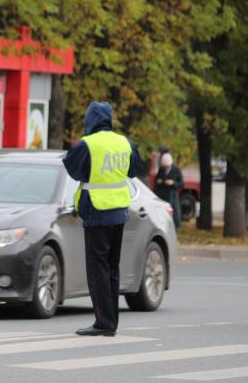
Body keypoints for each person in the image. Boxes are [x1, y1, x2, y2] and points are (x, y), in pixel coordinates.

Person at [62, 101, 141, 337]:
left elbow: (73, 168)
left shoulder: (88, 144)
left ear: (90, 120)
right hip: (119, 211)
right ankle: (111, 321)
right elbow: (134, 169)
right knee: (112, 268)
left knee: (98, 269)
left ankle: (103, 323)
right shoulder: (124, 142)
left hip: (97, 211)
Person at [154, 152, 184, 228]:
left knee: (174, 211)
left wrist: (173, 183)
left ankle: (175, 226)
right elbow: (156, 180)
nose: (166, 168)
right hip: (161, 194)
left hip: (172, 195)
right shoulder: (161, 169)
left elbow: (181, 184)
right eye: (165, 166)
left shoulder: (176, 170)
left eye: (167, 166)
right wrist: (158, 181)